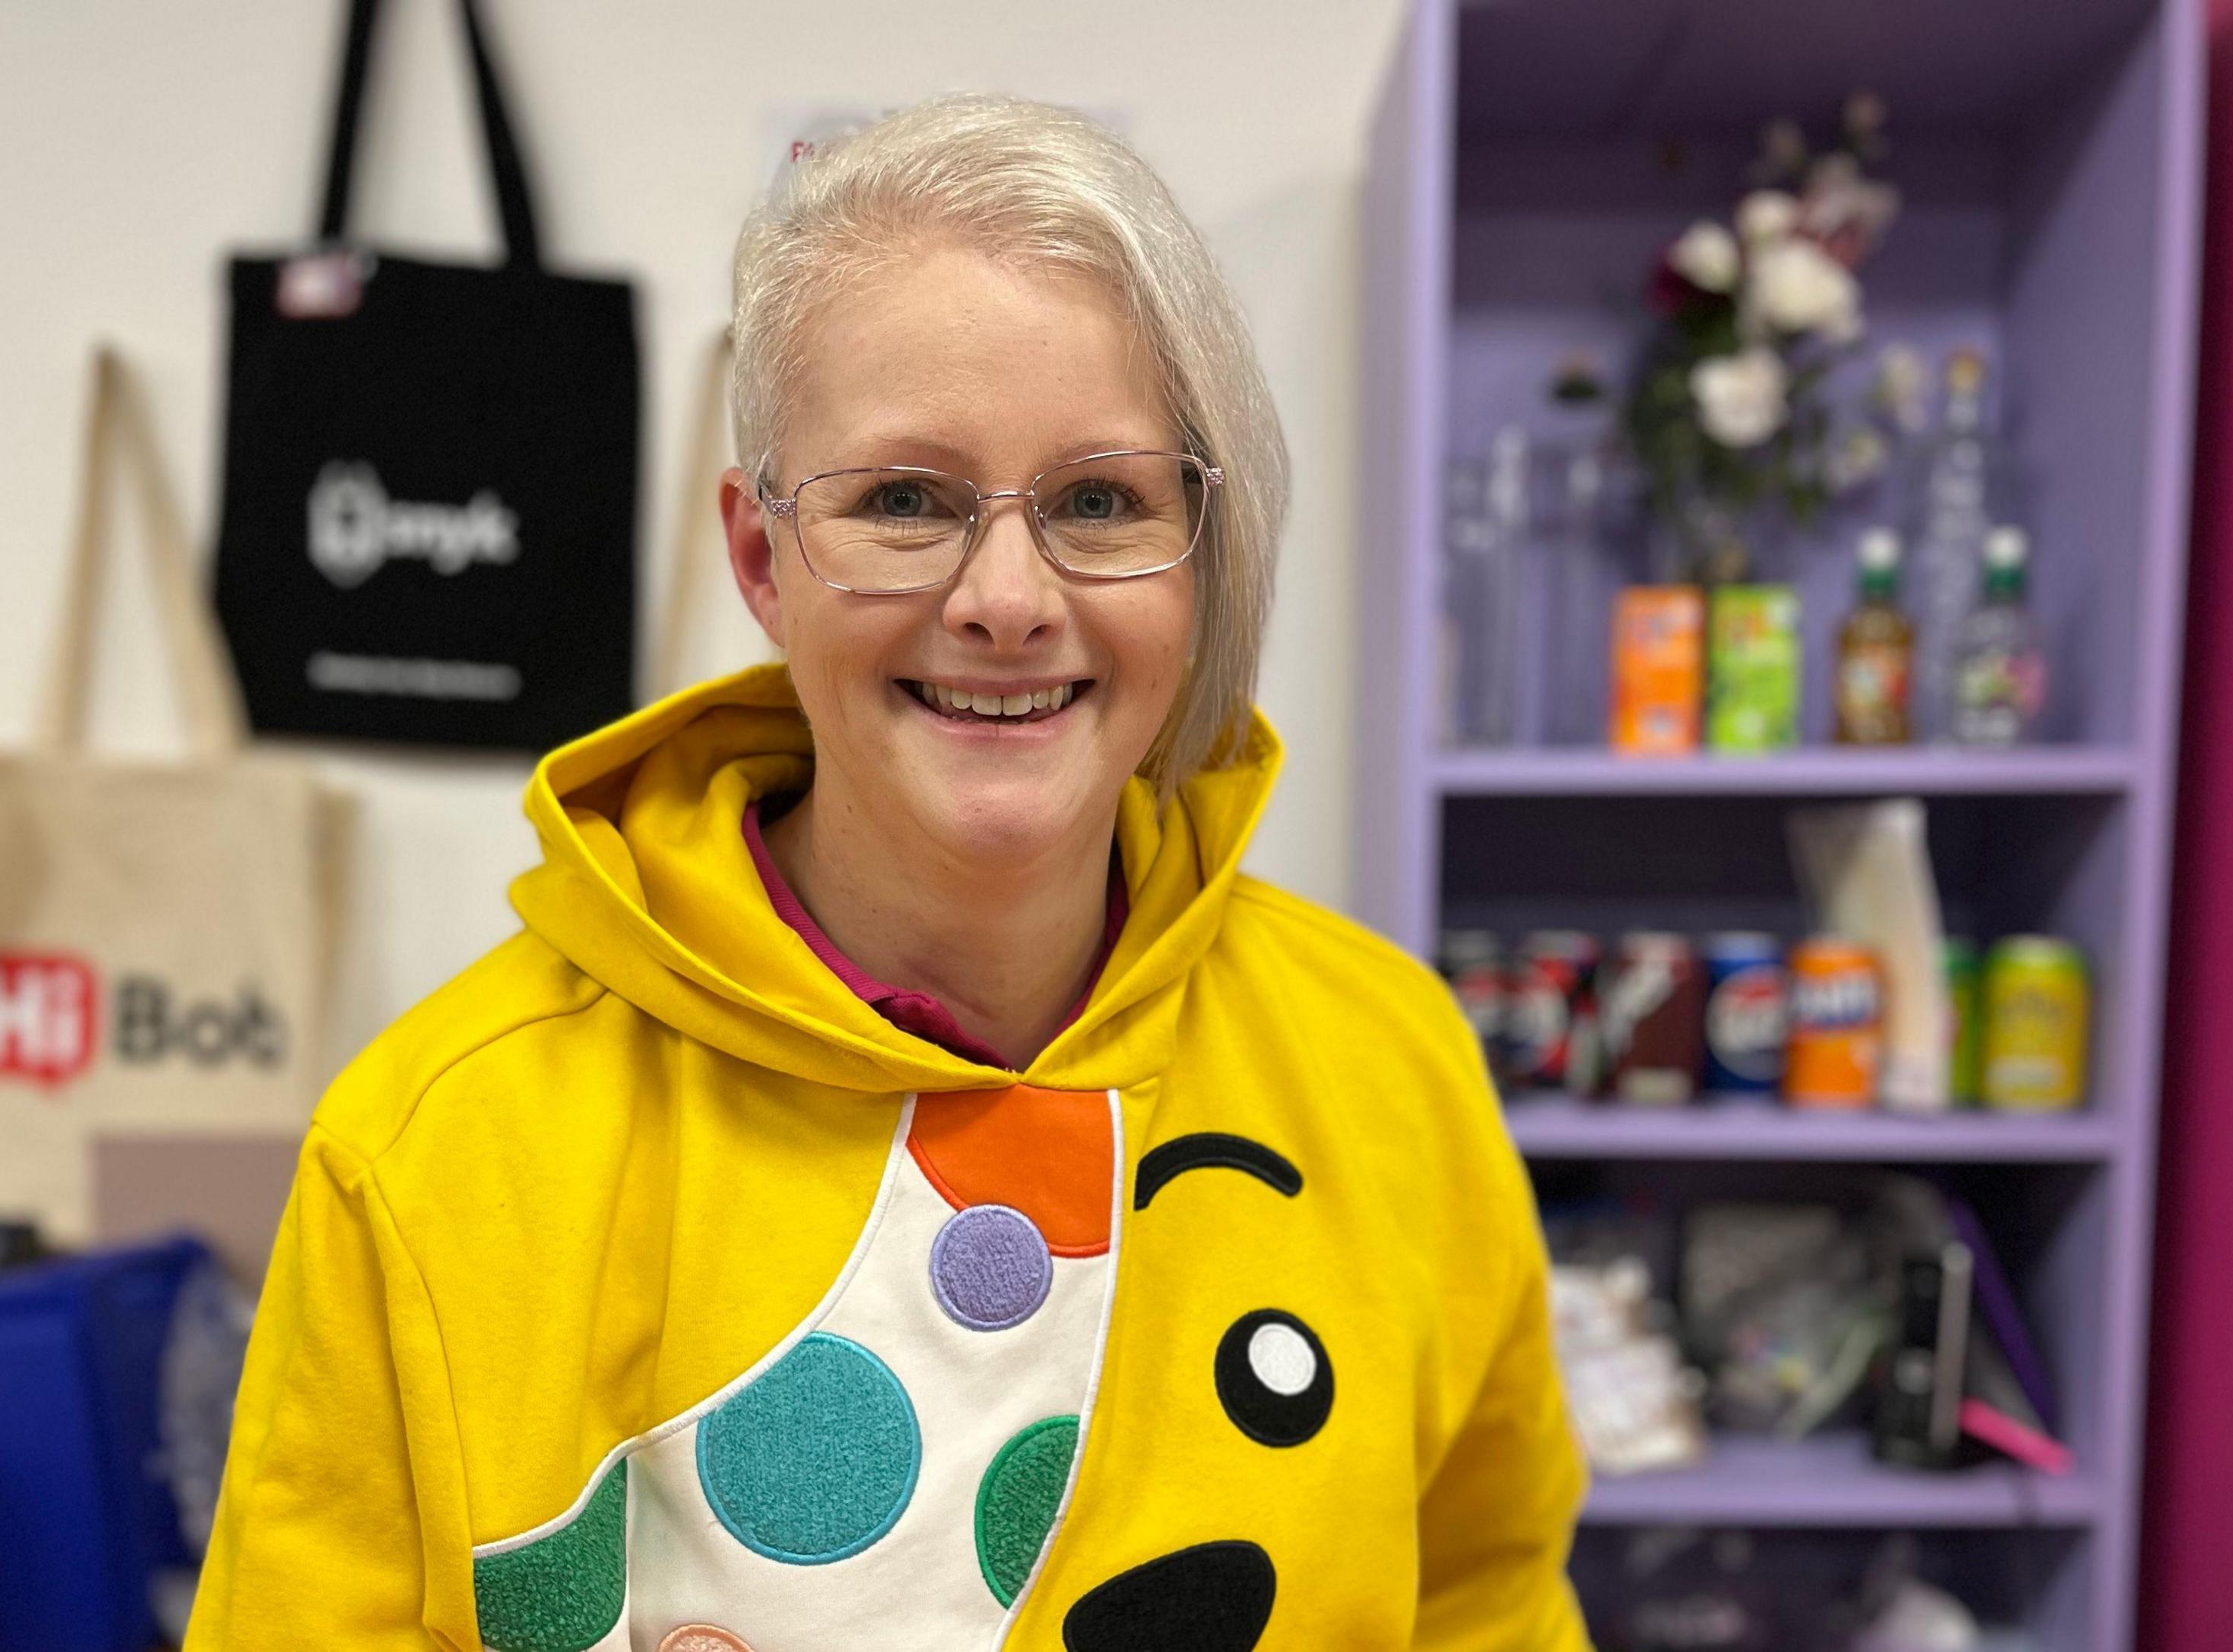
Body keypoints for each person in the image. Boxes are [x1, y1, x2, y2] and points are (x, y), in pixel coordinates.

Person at [187, 94, 1587, 1651]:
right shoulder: (439, 1145)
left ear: (1202, 551)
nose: (1005, 598)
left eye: (1100, 502)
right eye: (907, 501)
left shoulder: (1386, 1068)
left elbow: (1487, 1598)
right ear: (762, 559)